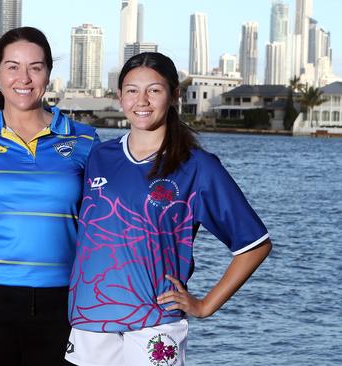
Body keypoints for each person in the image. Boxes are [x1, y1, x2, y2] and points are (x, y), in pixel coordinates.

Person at [65, 52, 272, 366]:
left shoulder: (197, 166)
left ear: (175, 94)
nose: (142, 100)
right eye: (132, 90)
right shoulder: (99, 156)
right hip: (90, 318)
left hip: (155, 323)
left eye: (154, 90)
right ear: (119, 96)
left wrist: (204, 306)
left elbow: (254, 245)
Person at [0, 26, 99, 365]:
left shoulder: (85, 140)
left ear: (48, 72)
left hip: (63, 301)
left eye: (36, 67)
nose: (24, 78)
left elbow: (107, 219)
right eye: (13, 66)